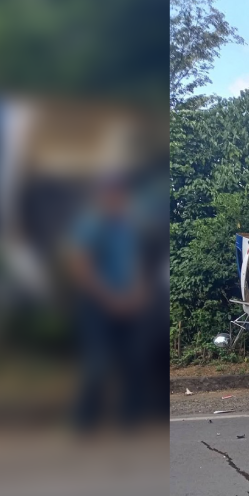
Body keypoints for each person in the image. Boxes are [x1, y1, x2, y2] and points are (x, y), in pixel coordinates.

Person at [66, 174, 146, 431]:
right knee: (98, 364)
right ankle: (84, 424)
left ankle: (128, 422)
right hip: (97, 305)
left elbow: (132, 264)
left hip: (126, 304)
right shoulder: (91, 224)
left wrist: (136, 293)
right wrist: (109, 298)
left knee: (132, 360)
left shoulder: (126, 226)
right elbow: (79, 265)